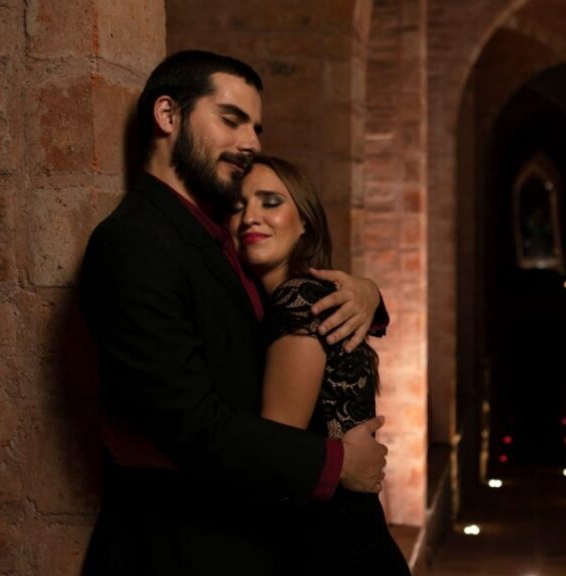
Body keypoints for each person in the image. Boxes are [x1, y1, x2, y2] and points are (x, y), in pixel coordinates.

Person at [80, 50, 389, 575]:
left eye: (256, 127)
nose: (252, 143)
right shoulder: (135, 240)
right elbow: (190, 425)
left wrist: (370, 294)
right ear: (167, 115)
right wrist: (337, 463)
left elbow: (289, 310)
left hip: (262, 539)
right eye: (231, 120)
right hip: (185, 550)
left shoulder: (218, 239)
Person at [229, 156, 411, 574]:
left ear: (305, 223)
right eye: (238, 206)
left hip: (328, 546)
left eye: (271, 202)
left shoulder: (298, 301)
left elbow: (278, 451)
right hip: (355, 535)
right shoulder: (311, 297)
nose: (250, 216)